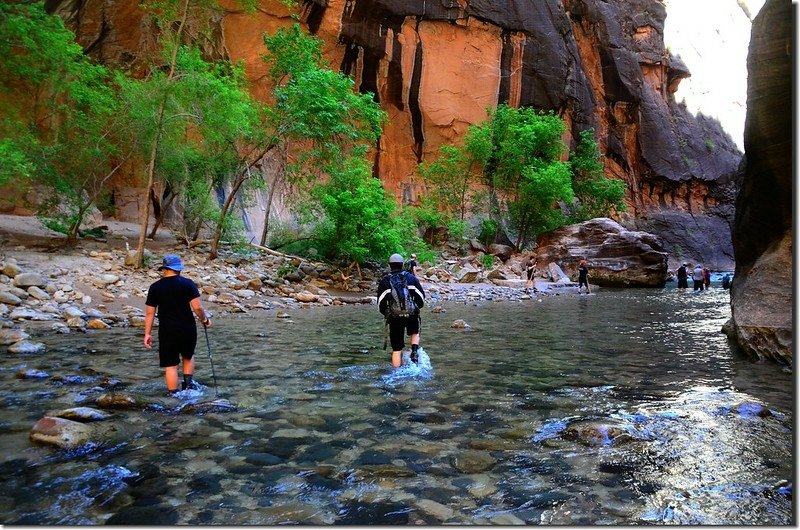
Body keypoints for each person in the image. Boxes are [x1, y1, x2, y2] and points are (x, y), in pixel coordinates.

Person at [144, 254, 211, 395]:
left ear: (164, 269)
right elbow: (197, 307)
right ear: (178, 269)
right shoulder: (188, 284)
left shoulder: (155, 287)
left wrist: (147, 334)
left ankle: (173, 395)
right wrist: (204, 319)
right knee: (188, 356)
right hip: (187, 327)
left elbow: (150, 313)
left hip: (167, 329)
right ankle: (188, 387)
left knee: (170, 364)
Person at [378, 253, 425, 368]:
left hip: (395, 318)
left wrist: (387, 313)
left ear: (390, 265)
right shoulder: (411, 278)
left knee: (397, 349)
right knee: (414, 332)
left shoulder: (385, 281)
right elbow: (421, 298)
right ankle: (414, 352)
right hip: (411, 314)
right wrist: (416, 308)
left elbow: (381, 304)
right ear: (403, 264)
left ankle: (396, 373)